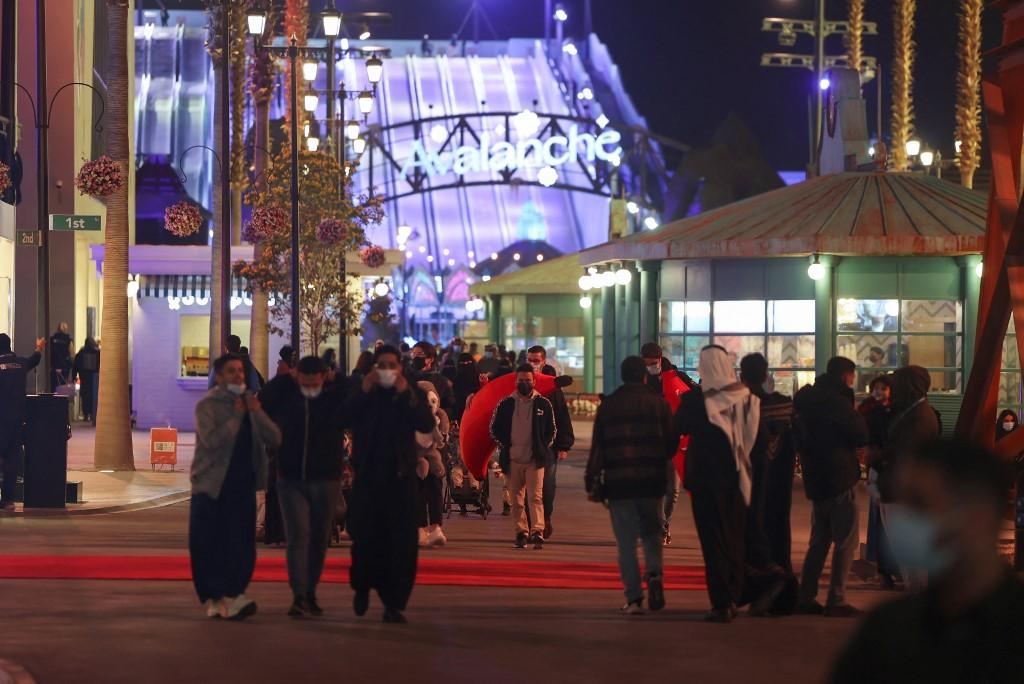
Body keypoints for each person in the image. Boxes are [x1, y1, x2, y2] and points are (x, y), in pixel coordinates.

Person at [829, 438, 1024, 683]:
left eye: (918, 504)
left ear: (978, 514)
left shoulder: (1014, 631)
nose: (904, 519)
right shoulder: (886, 630)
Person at [345, 345, 435, 624]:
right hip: (369, 479)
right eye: (381, 365)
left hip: (400, 478)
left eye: (391, 365)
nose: (386, 371)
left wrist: (406, 393)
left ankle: (394, 603)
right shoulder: (364, 393)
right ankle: (362, 587)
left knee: (402, 543)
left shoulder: (410, 393)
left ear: (400, 368)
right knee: (365, 538)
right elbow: (343, 418)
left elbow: (425, 421)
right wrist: (363, 390)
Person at [190, 354, 281, 620]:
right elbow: (211, 441)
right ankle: (216, 597)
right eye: (231, 371)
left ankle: (236, 593)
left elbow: (275, 437)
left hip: (243, 485)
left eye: (241, 371)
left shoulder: (250, 404)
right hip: (211, 485)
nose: (238, 376)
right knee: (209, 542)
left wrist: (255, 411)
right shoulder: (207, 405)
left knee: (241, 542)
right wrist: (236, 416)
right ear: (219, 377)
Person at [675, 345, 762, 623]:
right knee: (734, 535)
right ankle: (735, 595)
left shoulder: (695, 400)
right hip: (737, 477)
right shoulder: (746, 397)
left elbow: (677, 429)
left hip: (704, 480)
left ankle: (721, 602)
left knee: (712, 540)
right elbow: (753, 438)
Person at [260, 356, 349, 618]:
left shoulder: (333, 400)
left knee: (319, 538)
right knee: (298, 536)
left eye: (317, 377)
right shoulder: (287, 399)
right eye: (305, 377)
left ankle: (310, 591)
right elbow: (265, 395)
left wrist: (336, 377)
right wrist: (287, 376)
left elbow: (355, 393)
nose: (311, 383)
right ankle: (300, 595)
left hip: (326, 478)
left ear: (323, 377)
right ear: (298, 377)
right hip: (291, 478)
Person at [586, 356, 676, 614]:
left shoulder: (609, 406)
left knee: (626, 543)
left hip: (620, 484)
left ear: (623, 376)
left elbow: (598, 449)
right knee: (651, 534)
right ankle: (655, 574)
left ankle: (634, 598)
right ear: (645, 376)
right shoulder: (659, 405)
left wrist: (592, 479)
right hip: (652, 481)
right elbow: (671, 444)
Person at [792, 356, 869, 618]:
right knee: (846, 541)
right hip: (840, 475)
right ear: (846, 376)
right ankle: (836, 599)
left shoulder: (807, 399)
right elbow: (860, 433)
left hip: (816, 476)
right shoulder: (838, 402)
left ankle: (806, 595)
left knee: (820, 539)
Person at [875, 365, 941, 592]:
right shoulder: (909, 411)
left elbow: (907, 453)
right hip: (894, 490)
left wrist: (880, 455)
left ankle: (920, 608)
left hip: (904, 494)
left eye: (899, 383)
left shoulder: (919, 417)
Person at [739, 353, 797, 578]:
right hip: (780, 483)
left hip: (747, 483)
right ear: (765, 376)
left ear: (741, 376)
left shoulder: (738, 409)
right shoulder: (784, 406)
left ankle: (755, 583)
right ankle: (782, 580)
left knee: (750, 533)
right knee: (779, 529)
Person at [490, 364, 557, 550]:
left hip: (535, 459)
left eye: (528, 380)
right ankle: (521, 532)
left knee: (536, 497)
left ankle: (538, 531)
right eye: (521, 380)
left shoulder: (543, 404)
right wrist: (505, 445)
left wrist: (543, 447)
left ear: (534, 382)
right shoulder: (505, 404)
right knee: (516, 499)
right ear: (515, 381)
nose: (525, 383)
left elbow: (552, 430)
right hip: (512, 459)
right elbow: (494, 428)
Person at [641, 342, 698, 545]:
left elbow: (696, 395)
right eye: (647, 364)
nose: (651, 367)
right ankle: (659, 527)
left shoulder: (677, 376)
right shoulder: (641, 380)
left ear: (660, 358)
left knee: (672, 491)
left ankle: (664, 525)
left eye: (654, 363)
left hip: (675, 441)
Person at [526, 345, 574, 539]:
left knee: (547, 486)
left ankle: (545, 518)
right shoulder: (521, 382)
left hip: (548, 445)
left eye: (536, 360)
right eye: (529, 359)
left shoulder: (552, 386)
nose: (532, 363)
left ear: (544, 361)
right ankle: (533, 526)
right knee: (528, 488)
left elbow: (562, 415)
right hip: (525, 444)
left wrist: (564, 445)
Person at [859, 375, 898, 589]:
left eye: (884, 388)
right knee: (880, 520)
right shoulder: (869, 411)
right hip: (878, 470)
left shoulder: (895, 411)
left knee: (884, 521)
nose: (879, 391)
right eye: (876, 388)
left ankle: (888, 569)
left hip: (883, 469)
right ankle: (884, 569)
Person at [0, 334, 44, 510]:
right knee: (12, 459)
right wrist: (39, 347)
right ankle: (8, 500)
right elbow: (35, 359)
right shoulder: (20, 364)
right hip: (18, 420)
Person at [415, 381, 449, 547]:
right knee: (418, 493)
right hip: (415, 460)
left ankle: (436, 528)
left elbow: (443, 434)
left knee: (435, 491)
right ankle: (420, 528)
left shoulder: (440, 416)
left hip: (433, 457)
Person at [409, 341, 455, 414]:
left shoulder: (441, 381)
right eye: (414, 354)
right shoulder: (407, 377)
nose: (415, 357)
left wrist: (437, 413)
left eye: (420, 354)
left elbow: (449, 405)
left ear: (431, 359)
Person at [70, 338, 100, 423]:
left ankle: (86, 414)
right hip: (94, 378)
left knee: (85, 396)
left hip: (84, 377)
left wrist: (74, 376)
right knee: (94, 396)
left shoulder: (81, 352)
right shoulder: (97, 352)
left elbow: (75, 365)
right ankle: (94, 413)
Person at [452, 352, 480, 422]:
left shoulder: (478, 376)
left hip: (477, 408)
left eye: (468, 362)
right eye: (463, 363)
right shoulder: (457, 378)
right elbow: (457, 393)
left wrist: (473, 394)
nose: (466, 364)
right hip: (461, 410)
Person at [49, 321, 73, 391]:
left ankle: (53, 401)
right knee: (63, 388)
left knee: (54, 386)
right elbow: (72, 355)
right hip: (64, 368)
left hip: (54, 367)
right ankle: (62, 401)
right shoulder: (68, 340)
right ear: (66, 329)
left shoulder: (52, 339)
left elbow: (49, 353)